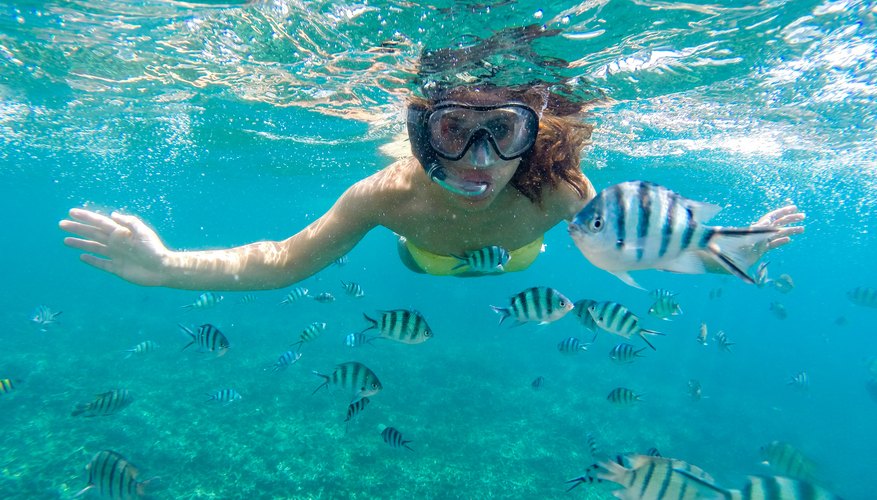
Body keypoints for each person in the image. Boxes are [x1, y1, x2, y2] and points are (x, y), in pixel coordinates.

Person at [59, 83, 804, 290]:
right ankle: (431, 263)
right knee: (427, 264)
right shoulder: (385, 196)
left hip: (521, 258)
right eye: (453, 132)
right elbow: (283, 260)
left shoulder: (563, 194)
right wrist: (163, 267)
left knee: (522, 263)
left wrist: (734, 249)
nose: (479, 159)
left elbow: (647, 245)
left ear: (533, 138)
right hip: (424, 253)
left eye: (503, 133)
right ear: (421, 135)